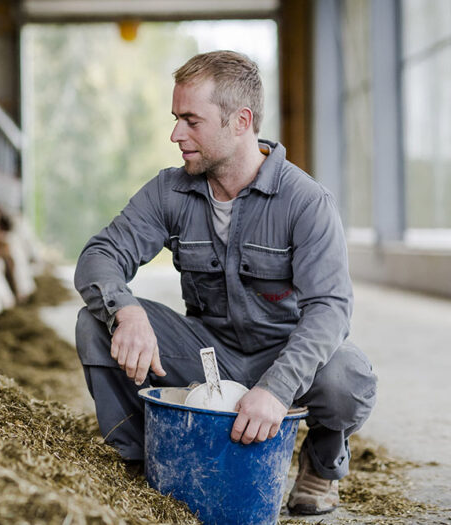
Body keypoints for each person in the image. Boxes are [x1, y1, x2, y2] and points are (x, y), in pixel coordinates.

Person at [73, 50, 377, 516]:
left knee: (347, 376)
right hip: (207, 353)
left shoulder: (305, 201)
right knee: (97, 323)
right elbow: (100, 256)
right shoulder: (169, 191)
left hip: (284, 354)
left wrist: (276, 390)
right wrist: (127, 311)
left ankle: (320, 465)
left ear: (240, 121)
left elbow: (330, 310)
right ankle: (137, 465)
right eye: (176, 119)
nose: (175, 135)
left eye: (190, 121)